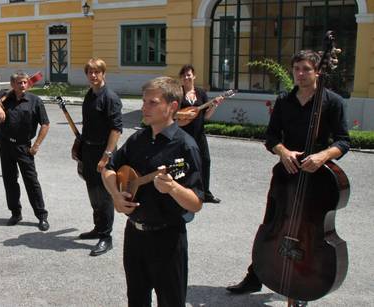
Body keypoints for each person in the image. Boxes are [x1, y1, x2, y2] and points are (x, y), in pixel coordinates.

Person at [226, 50, 350, 306]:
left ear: (317, 71)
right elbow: (271, 137)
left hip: (318, 176)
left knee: (311, 228)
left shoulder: (332, 101)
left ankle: (304, 279)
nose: (300, 74)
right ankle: (256, 274)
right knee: (274, 222)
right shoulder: (284, 101)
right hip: (287, 173)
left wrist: (323, 156)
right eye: (296, 69)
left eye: (305, 69)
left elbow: (344, 141)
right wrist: (283, 152)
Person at [101, 76, 204, 306]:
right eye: (144, 101)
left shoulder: (186, 146)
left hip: (167, 239)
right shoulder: (138, 138)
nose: (144, 107)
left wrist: (174, 188)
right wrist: (116, 196)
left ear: (172, 107)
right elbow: (108, 169)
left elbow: (196, 202)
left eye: (152, 102)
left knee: (170, 301)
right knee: (136, 299)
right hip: (135, 235)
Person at [0, 72, 50, 231]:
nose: (23, 85)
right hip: (5, 146)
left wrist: (37, 145)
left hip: (24, 147)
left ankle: (41, 216)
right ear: (13, 84)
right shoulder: (5, 99)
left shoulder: (34, 101)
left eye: (25, 82)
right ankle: (15, 213)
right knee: (10, 181)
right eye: (19, 83)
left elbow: (45, 124)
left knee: (31, 181)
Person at [77, 58, 122, 256]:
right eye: (90, 73)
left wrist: (107, 156)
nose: (93, 76)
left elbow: (116, 129)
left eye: (97, 72)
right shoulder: (89, 95)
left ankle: (106, 237)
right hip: (88, 151)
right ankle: (98, 228)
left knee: (104, 196)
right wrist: (77, 145)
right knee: (93, 193)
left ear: (104, 74)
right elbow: (87, 126)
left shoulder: (110, 98)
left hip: (104, 152)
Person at [177, 64, 223, 203]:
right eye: (184, 75)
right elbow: (174, 114)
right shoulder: (178, 94)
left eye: (189, 75)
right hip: (183, 134)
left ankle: (205, 192)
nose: (187, 77)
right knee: (181, 163)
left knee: (205, 161)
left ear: (194, 76)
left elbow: (206, 116)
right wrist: (186, 114)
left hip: (199, 134)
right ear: (181, 78)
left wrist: (214, 105)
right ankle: (181, 190)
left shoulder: (201, 93)